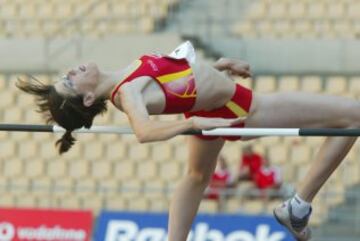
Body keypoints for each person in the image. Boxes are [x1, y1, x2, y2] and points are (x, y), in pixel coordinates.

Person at [16, 40, 360, 241]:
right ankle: (298, 207)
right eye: (71, 82)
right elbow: (144, 132)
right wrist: (193, 122)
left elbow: (180, 73)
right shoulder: (127, 91)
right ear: (89, 99)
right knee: (353, 116)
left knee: (196, 178)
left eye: (67, 75)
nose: (72, 72)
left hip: (220, 106)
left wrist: (219, 66)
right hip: (243, 109)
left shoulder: (127, 73)